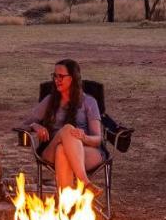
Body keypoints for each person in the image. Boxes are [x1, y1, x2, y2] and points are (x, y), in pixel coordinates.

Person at [21, 59, 104, 192]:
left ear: (73, 78)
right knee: (67, 130)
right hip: (50, 151)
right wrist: (35, 125)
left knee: (62, 150)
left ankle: (66, 207)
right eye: (55, 75)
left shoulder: (89, 102)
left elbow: (98, 139)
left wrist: (84, 138)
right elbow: (23, 124)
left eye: (61, 76)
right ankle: (85, 182)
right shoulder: (50, 100)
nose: (57, 80)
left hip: (86, 151)